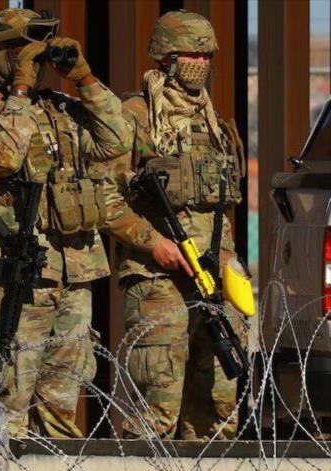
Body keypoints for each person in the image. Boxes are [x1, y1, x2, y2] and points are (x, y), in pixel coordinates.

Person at [0, 8, 130, 438]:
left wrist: (85, 79)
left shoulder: (64, 111)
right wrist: (20, 89)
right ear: (0, 54)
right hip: (15, 277)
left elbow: (117, 139)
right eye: (20, 49)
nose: (32, 58)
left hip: (75, 272)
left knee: (62, 408)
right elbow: (2, 157)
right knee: (8, 405)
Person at [98, 10, 247, 440]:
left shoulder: (215, 123)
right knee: (157, 410)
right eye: (191, 55)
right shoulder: (135, 117)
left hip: (214, 277)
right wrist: (155, 243)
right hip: (158, 278)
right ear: (166, 57)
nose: (201, 64)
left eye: (207, 57)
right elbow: (106, 200)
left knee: (218, 411)